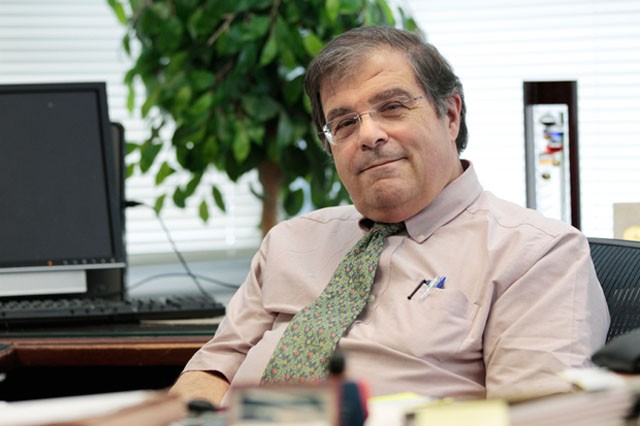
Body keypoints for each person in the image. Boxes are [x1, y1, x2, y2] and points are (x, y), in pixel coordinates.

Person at [169, 26, 609, 405]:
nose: (369, 135)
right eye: (343, 123)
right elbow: (213, 370)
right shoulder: (288, 242)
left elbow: (534, 417)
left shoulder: (537, 254)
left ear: (450, 115)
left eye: (393, 107)